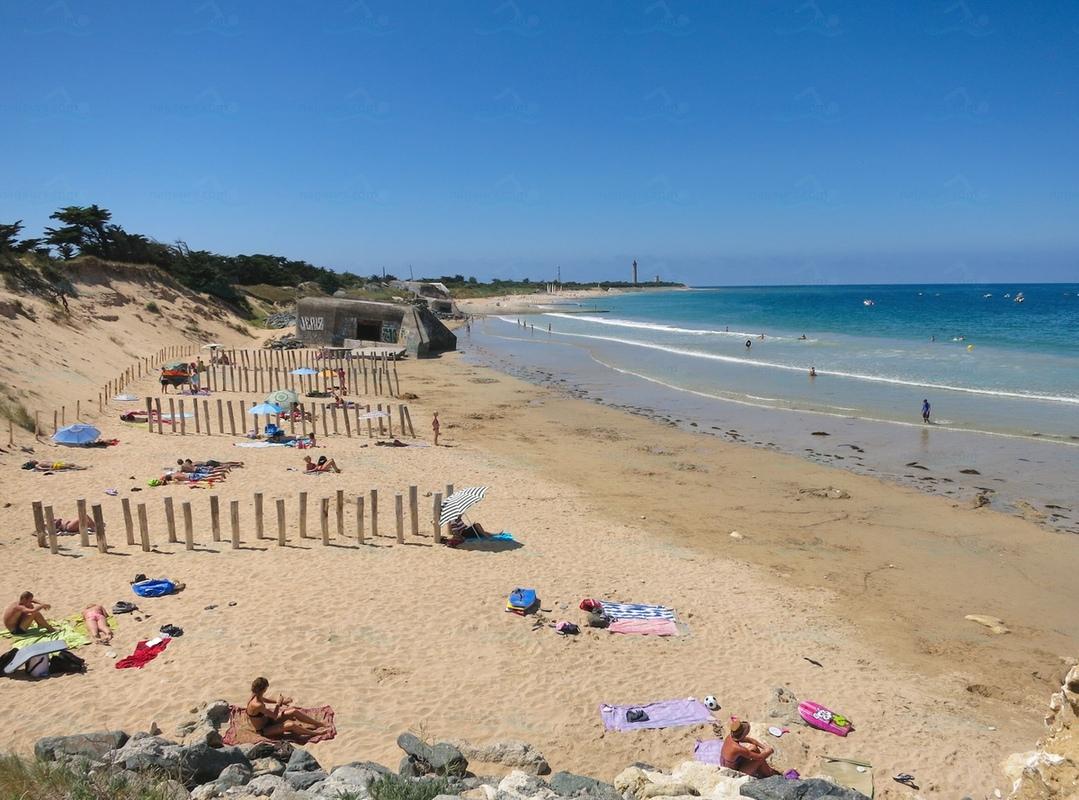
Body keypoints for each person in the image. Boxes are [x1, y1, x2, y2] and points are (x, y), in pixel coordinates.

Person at [246, 677, 330, 741]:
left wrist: (282, 702)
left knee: (293, 711)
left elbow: (265, 699)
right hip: (264, 730)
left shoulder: (255, 695)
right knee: (291, 725)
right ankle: (315, 733)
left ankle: (318, 724)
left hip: (268, 721)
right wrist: (278, 704)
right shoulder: (257, 705)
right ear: (263, 690)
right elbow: (274, 715)